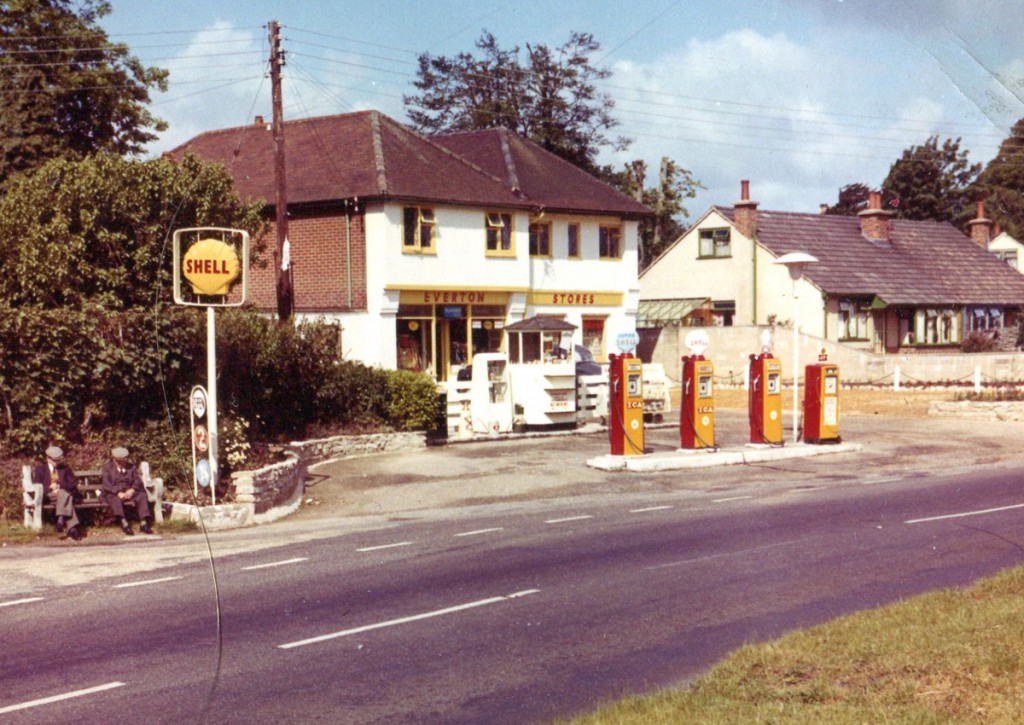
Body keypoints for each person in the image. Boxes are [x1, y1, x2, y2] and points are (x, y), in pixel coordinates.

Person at [100, 446, 154, 535]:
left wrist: (132, 490)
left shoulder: (131, 467)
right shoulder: (107, 468)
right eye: (120, 460)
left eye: (125, 459)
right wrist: (118, 492)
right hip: (113, 493)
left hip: (129, 491)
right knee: (115, 500)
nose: (124, 461)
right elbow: (106, 485)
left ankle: (144, 524)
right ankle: (124, 524)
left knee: (142, 495)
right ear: (114, 459)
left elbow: (137, 480)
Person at [32, 445, 82, 541]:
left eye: (58, 460)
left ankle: (63, 521)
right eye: (55, 460)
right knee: (68, 498)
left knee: (64, 493)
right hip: (49, 496)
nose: (57, 462)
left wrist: (59, 485)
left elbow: (72, 485)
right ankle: (69, 525)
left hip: (62, 495)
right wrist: (49, 488)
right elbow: (37, 487)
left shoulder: (65, 469)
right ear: (48, 458)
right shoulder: (40, 469)